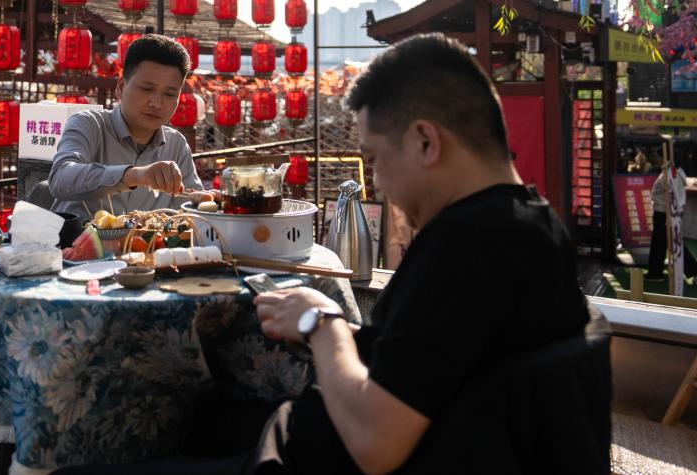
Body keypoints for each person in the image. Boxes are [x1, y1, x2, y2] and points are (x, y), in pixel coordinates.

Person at [54, 33, 600, 475]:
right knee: (201, 413)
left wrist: (323, 321)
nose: (379, 182)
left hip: (315, 459)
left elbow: (376, 442)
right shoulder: (535, 224)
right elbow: (415, 362)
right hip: (366, 433)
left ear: (425, 142)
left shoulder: (465, 249)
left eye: (375, 159)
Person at [49, 34, 214, 225]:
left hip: (142, 245)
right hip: (75, 242)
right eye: (146, 89)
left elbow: (187, 211)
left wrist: (206, 203)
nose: (157, 103)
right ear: (121, 87)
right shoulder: (88, 124)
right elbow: (60, 178)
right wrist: (135, 175)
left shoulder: (176, 145)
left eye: (169, 94)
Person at [646, 150, 696, 281]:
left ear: (665, 157)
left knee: (672, 243)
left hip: (666, 213)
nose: (656, 159)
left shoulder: (671, 173)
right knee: (664, 243)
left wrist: (670, 216)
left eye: (658, 156)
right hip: (666, 212)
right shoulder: (672, 171)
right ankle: (655, 272)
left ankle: (693, 271)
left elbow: (674, 197)